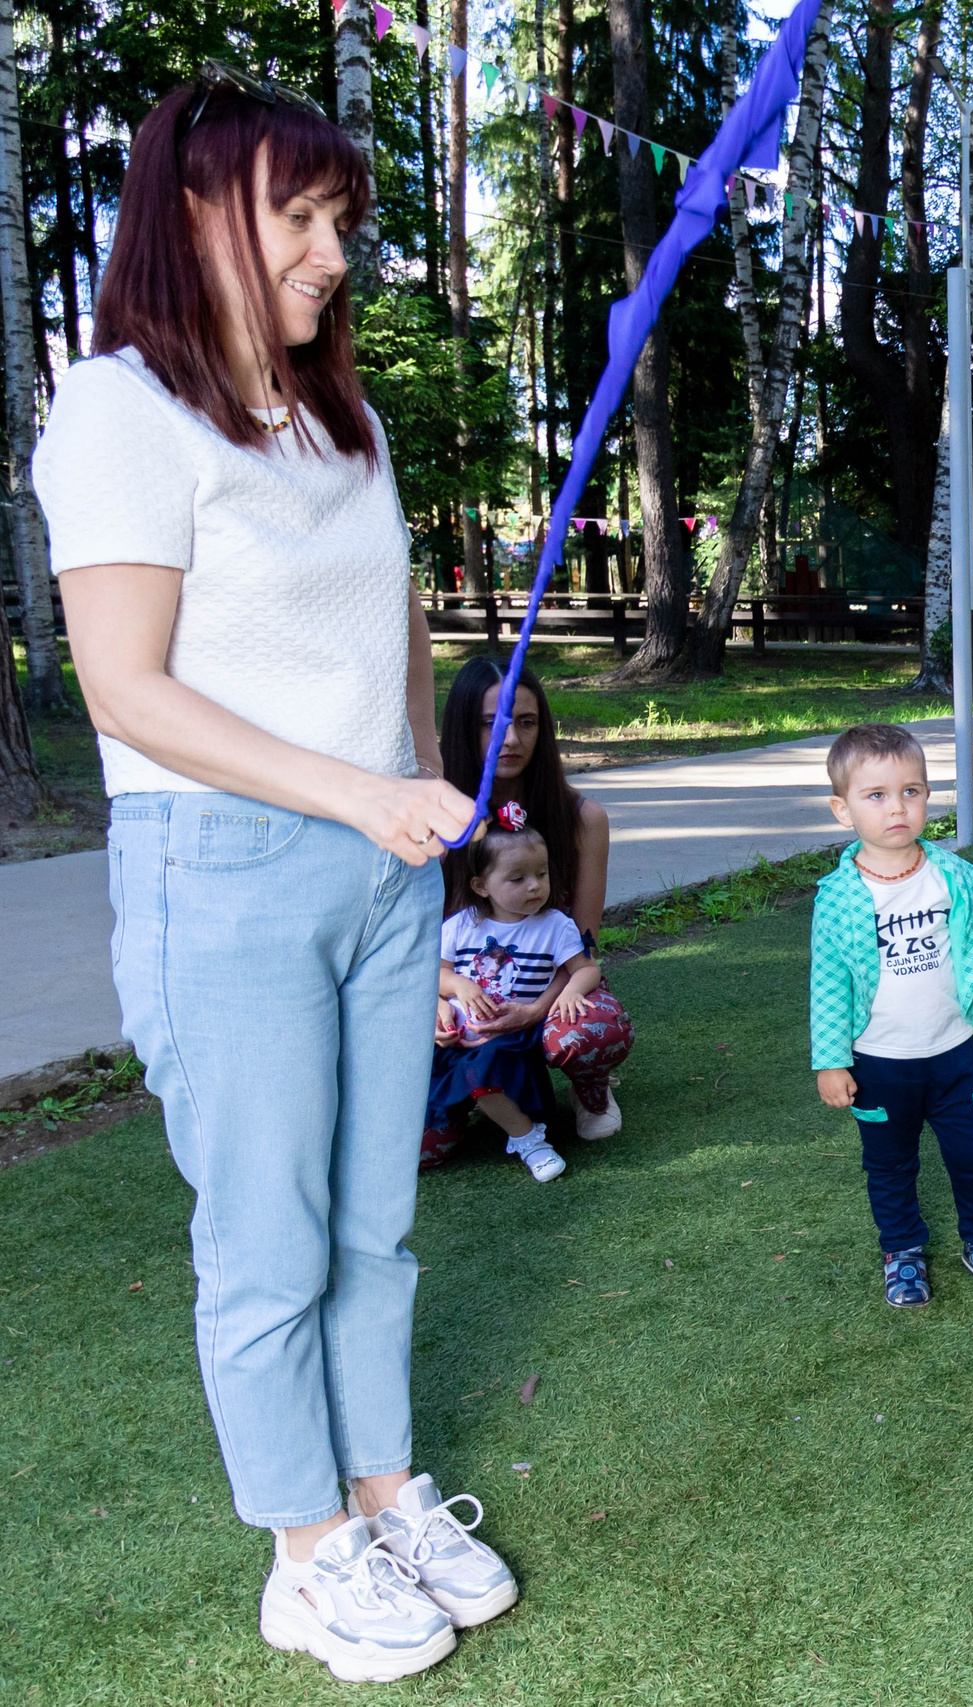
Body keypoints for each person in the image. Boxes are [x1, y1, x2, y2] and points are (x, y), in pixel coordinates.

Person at [39, 67, 515, 1682]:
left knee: (377, 1223)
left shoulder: (341, 420)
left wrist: (416, 804)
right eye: (296, 217)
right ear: (194, 213)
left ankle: (382, 1494)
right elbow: (129, 686)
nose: (330, 253)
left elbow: (390, 627)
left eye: (341, 224)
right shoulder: (119, 403)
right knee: (270, 1239)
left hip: (376, 862)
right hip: (220, 863)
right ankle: (302, 1552)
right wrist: (360, 793)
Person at [809, 723, 973, 1305]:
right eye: (875, 796)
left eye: (911, 791)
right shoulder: (838, 896)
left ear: (928, 796)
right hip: (879, 1062)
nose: (896, 808)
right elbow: (828, 984)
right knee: (889, 1164)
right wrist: (830, 1060)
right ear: (842, 809)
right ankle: (902, 1252)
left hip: (954, 1053)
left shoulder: (956, 877)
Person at [419, 656, 631, 1169]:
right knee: (422, 1153)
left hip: (548, 991)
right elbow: (416, 947)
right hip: (457, 999)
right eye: (491, 722)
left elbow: (583, 950)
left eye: (526, 722)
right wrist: (430, 1005)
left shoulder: (583, 819)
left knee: (591, 1024)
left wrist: (536, 1011)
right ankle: (469, 1099)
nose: (510, 738)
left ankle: (589, 1085)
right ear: (462, 727)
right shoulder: (432, 820)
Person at [428, 803, 601, 1183]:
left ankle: (529, 1140)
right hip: (455, 1038)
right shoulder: (461, 926)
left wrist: (569, 993)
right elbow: (432, 975)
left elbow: (587, 968)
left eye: (541, 873)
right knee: (425, 1133)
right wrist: (456, 986)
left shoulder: (555, 926)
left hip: (510, 1038)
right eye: (517, 878)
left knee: (481, 1071)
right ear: (480, 886)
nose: (535, 885)